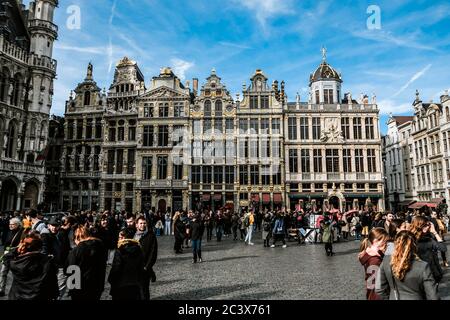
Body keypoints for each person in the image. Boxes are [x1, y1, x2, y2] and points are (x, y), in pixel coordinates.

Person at [375, 231, 439, 300]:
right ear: (414, 245)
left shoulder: (386, 261)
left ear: (396, 244)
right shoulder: (423, 266)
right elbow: (433, 296)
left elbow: (379, 288)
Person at [7, 233, 58, 300]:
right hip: (39, 296)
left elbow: (6, 257)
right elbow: (52, 282)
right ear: (40, 247)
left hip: (17, 296)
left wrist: (18, 249)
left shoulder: (16, 263)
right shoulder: (47, 262)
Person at [66, 225, 107, 300]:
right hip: (97, 285)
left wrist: (72, 290)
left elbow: (70, 269)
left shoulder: (76, 251)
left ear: (77, 237)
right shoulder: (101, 246)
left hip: (80, 288)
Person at [108, 228, 144, 300]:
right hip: (134, 284)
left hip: (121, 286)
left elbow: (116, 268)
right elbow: (140, 266)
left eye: (119, 237)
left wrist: (110, 278)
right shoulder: (138, 249)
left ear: (124, 237)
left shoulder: (120, 250)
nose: (118, 239)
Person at [409, 216, 446, 284]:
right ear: (418, 225)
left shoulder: (429, 238)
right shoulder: (410, 239)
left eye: (428, 225)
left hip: (432, 273)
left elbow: (443, 248)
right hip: (418, 274)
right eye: (424, 225)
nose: (427, 227)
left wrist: (435, 232)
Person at [44, 217, 71, 300]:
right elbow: (44, 250)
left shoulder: (63, 235)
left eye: (56, 226)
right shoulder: (45, 236)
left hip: (61, 266)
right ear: (48, 225)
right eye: (52, 225)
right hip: (50, 267)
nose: (54, 227)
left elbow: (67, 249)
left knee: (60, 289)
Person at [358, 228, 389, 300]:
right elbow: (377, 285)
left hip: (372, 295)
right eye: (385, 241)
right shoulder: (375, 260)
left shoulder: (369, 254)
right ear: (375, 241)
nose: (386, 244)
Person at [134, 216, 157, 300]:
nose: (142, 225)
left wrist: (147, 266)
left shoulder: (151, 236)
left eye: (144, 223)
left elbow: (153, 253)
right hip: (133, 268)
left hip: (144, 268)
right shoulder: (133, 235)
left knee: (144, 291)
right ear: (136, 225)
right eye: (140, 223)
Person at [0, 217, 24, 297]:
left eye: (12, 224)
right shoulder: (9, 231)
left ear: (17, 225)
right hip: (7, 255)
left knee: (16, 275)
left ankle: (17, 292)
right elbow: (6, 243)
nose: (10, 226)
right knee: (3, 272)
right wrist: (4, 253)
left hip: (15, 256)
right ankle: (1, 290)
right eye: (9, 224)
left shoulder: (21, 232)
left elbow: (21, 245)